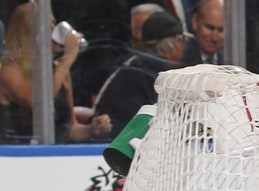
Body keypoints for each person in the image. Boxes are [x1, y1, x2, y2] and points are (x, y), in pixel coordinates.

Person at [0, 4, 112, 143]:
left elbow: (69, 128)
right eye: (47, 27)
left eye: (53, 24)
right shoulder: (9, 71)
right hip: (16, 155)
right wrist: (67, 60)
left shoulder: (61, 72)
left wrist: (90, 129)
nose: (54, 31)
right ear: (29, 34)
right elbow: (35, 103)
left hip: (56, 155)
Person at [92, 11, 185, 139]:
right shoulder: (157, 70)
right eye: (181, 41)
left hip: (112, 139)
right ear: (175, 41)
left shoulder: (132, 61)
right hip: (123, 143)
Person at [183, 0, 225, 65]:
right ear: (195, 22)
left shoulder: (230, 62)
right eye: (209, 28)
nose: (214, 38)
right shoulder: (178, 59)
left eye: (221, 30)